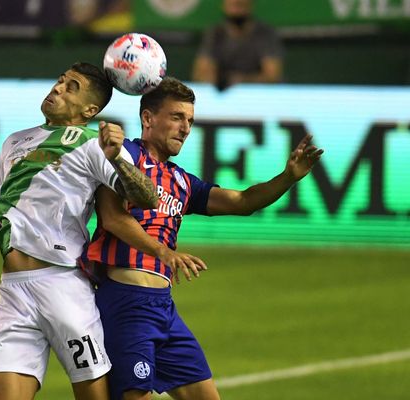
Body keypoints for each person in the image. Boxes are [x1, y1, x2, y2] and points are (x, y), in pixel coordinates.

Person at [0, 62, 159, 400]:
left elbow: (148, 197)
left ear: (90, 110)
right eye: (60, 81)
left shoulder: (96, 145)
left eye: (72, 87)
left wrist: (119, 159)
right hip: (13, 292)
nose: (58, 88)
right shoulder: (14, 143)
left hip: (64, 288)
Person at [84, 77, 323, 400]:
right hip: (126, 301)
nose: (185, 128)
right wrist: (164, 253)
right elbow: (112, 218)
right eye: (177, 117)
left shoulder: (181, 181)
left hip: (163, 307)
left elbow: (243, 202)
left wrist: (287, 178)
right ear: (148, 119)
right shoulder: (122, 155)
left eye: (190, 121)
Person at [192, 0, 283, 90]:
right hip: (221, 97)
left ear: (250, 4)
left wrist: (241, 81)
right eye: (233, 4)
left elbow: (273, 77)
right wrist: (218, 82)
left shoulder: (265, 34)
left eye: (240, 4)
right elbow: (200, 74)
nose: (236, 4)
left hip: (257, 96)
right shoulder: (215, 33)